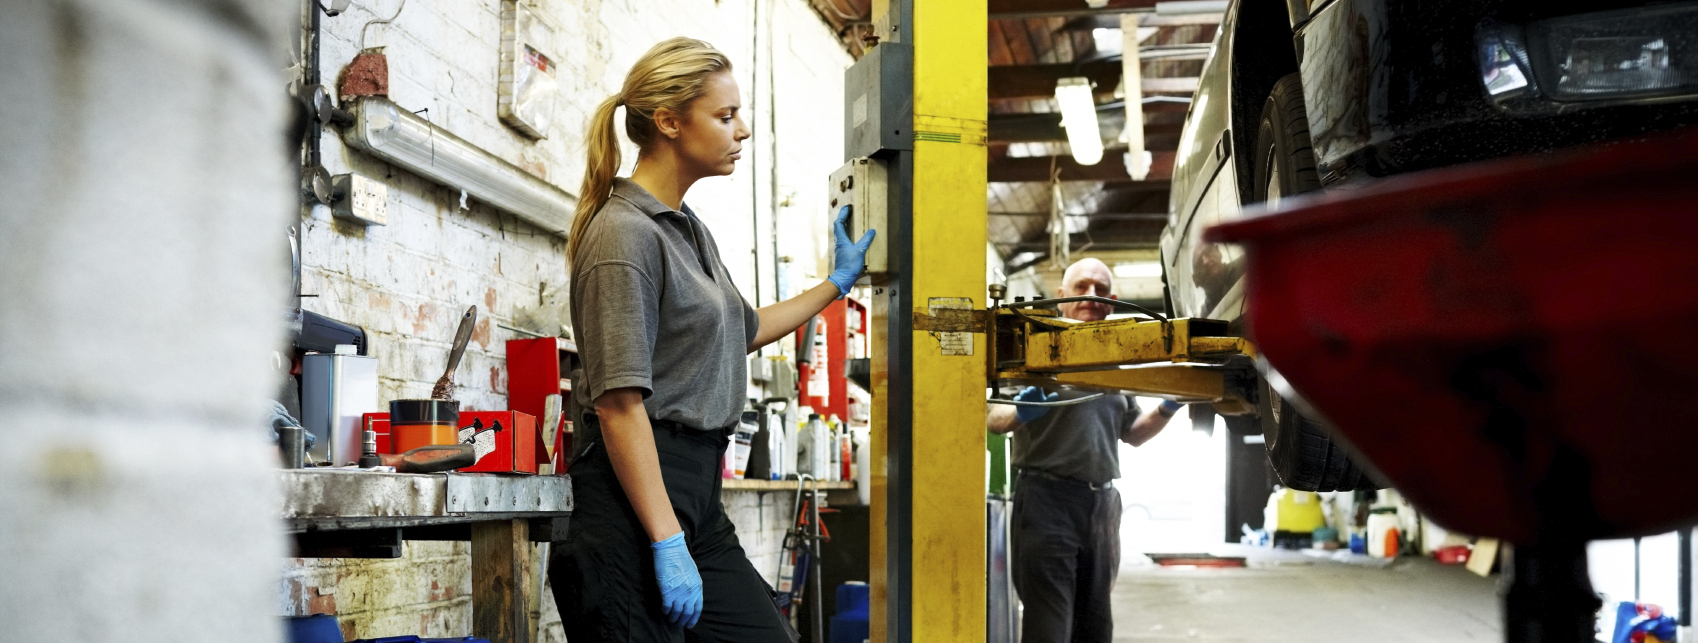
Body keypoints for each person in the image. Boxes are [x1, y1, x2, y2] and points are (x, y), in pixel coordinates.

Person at [550, 37, 874, 642]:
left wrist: (835, 283)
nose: (743, 130)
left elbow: (743, 330)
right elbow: (619, 406)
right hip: (630, 503)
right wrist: (665, 539)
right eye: (725, 116)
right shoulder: (623, 236)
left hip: (695, 496)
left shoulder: (688, 230)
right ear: (670, 121)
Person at [986, 258, 1184, 643]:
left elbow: (1133, 434)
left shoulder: (1118, 360)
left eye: (1100, 289)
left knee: (1095, 627)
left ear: (1112, 302)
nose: (1091, 296)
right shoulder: (1033, 349)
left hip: (1102, 507)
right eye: (1081, 287)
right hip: (1047, 501)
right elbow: (994, 418)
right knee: (1050, 627)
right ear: (1060, 297)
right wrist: (1022, 410)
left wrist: (1169, 406)